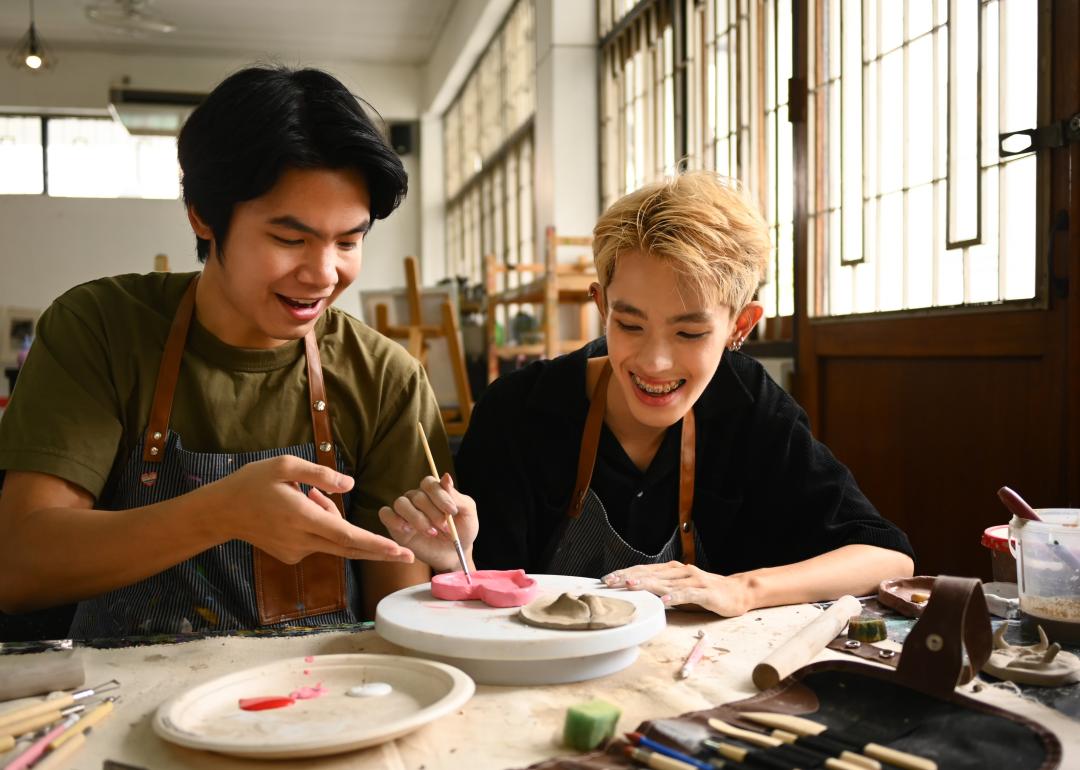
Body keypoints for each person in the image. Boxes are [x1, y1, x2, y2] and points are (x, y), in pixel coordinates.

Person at [0, 66, 447, 637]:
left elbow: (397, 610)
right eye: (290, 239)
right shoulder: (102, 330)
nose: (323, 274)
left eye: (349, 241)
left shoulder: (384, 377)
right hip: (125, 693)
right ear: (203, 216)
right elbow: (19, 567)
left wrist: (445, 562)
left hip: (322, 695)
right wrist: (220, 514)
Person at [381, 171, 914, 617]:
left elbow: (887, 558)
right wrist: (458, 560)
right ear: (601, 306)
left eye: (689, 333)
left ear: (740, 326)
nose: (655, 362)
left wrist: (741, 589)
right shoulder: (520, 411)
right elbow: (483, 601)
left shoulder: (748, 406)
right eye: (630, 325)